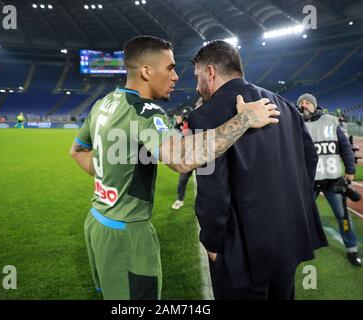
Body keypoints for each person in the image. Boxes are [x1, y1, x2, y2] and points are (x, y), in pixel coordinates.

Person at [69, 35, 280, 300]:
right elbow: (182, 158)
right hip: (127, 235)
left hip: (97, 223)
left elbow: (77, 151)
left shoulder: (104, 104)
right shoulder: (145, 112)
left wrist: (111, 176)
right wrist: (245, 118)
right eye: (170, 68)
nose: (176, 77)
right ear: (146, 71)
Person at [187, 40, 328, 300]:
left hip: (241, 251)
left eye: (197, 77)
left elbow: (213, 192)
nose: (197, 86)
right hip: (288, 239)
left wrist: (212, 240)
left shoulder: (204, 116)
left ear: (210, 72)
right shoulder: (285, 106)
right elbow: (310, 158)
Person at [297, 93, 362, 267]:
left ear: (314, 105)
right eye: (301, 102)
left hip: (333, 181)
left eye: (307, 102)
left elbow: (345, 146)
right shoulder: (297, 123)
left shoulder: (330, 120)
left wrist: (350, 169)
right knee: (300, 216)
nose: (304, 105)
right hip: (309, 182)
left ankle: (352, 249)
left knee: (343, 217)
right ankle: (298, 249)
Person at [171, 106, 194, 210]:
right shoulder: (180, 124)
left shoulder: (196, 123)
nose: (185, 118)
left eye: (187, 116)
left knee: (205, 181)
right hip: (187, 157)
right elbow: (172, 133)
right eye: (184, 116)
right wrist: (177, 123)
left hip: (199, 155)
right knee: (182, 180)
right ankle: (180, 200)